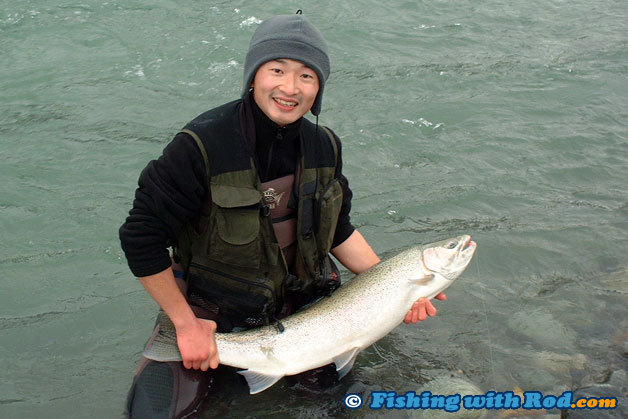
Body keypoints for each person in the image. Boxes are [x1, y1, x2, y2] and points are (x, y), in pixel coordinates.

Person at [119, 13, 446, 418]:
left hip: (305, 307)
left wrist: (394, 288)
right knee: (153, 414)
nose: (290, 88)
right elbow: (140, 237)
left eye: (307, 76)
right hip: (213, 311)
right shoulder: (200, 145)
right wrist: (185, 324)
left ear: (319, 88)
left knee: (349, 406)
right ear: (253, 75)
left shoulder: (325, 145)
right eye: (278, 70)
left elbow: (338, 229)